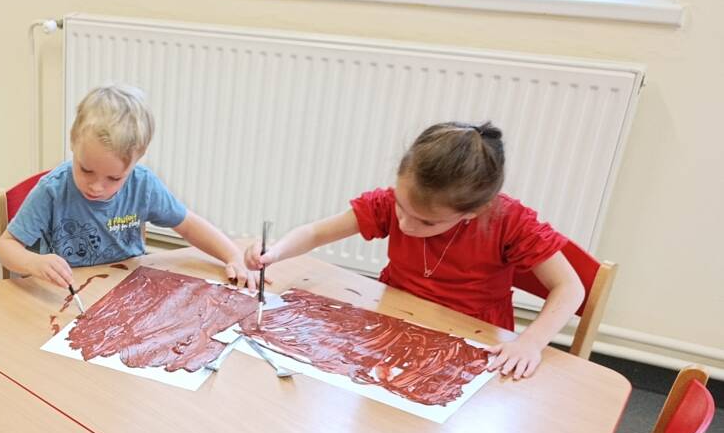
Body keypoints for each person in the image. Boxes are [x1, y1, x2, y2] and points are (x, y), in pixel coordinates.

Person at [247, 122, 583, 378]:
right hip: (393, 317)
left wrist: (530, 342)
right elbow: (317, 232)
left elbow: (570, 287)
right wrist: (276, 251)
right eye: (401, 207)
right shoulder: (389, 204)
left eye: (426, 222)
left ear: (472, 212)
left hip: (472, 335)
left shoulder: (509, 221)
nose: (406, 225)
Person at [0, 83, 256, 288]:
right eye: (86, 170)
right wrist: (33, 262)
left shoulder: (143, 184)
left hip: (128, 290)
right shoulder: (52, 191)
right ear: (73, 143)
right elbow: (6, 246)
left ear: (136, 160)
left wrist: (232, 256)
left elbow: (187, 224)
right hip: (69, 295)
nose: (96, 187)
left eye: (114, 178)